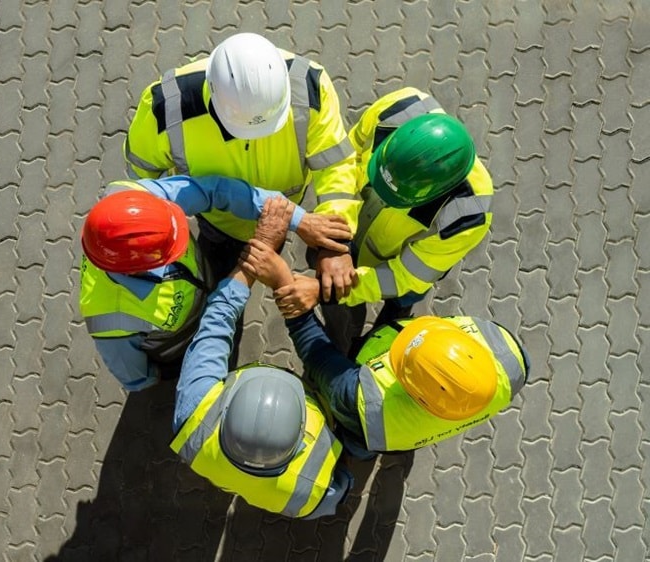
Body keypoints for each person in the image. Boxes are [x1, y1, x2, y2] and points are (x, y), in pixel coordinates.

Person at [241, 241, 530, 459]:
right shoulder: (509, 356)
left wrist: (284, 284)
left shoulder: (366, 406)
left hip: (372, 428)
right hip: (415, 423)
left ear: (412, 392)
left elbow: (317, 355)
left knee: (358, 441)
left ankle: (354, 449)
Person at [79, 176, 352, 391]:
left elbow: (212, 190)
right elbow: (135, 377)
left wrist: (297, 218)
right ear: (140, 267)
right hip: (180, 352)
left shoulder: (133, 203)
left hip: (209, 284)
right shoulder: (112, 321)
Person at [125, 32, 359, 281]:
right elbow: (140, 182)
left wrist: (334, 243)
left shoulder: (309, 87)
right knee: (219, 285)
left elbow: (335, 165)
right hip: (220, 227)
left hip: (285, 220)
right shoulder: (166, 108)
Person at [170, 198, 351, 519]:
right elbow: (342, 484)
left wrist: (257, 253)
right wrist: (269, 265)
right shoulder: (314, 491)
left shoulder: (195, 417)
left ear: (226, 408)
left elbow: (217, 319)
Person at [279, 87, 495, 355]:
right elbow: (344, 160)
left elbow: (405, 276)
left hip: (400, 273)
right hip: (348, 238)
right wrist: (336, 243)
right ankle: (344, 351)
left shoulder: (467, 215)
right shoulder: (396, 108)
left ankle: (374, 355)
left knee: (394, 318)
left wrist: (333, 291)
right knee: (342, 319)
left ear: (437, 191)